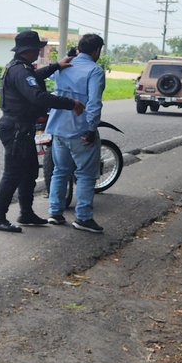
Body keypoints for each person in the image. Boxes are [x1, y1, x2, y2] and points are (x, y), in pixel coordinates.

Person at [0, 30, 84, 233]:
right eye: (37, 50)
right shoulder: (20, 71)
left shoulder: (20, 68)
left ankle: (26, 213)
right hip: (16, 129)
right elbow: (38, 96)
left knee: (30, 172)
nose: (38, 53)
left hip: (21, 129)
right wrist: (71, 103)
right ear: (30, 50)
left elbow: (35, 76)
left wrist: (56, 66)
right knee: (12, 174)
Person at [46, 33, 106, 233]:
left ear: (79, 48)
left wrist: (67, 56)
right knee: (86, 175)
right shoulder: (95, 71)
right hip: (80, 130)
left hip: (58, 128)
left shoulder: (64, 66)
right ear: (97, 50)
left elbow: (53, 79)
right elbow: (94, 102)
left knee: (60, 171)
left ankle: (55, 213)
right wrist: (91, 129)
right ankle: (83, 217)